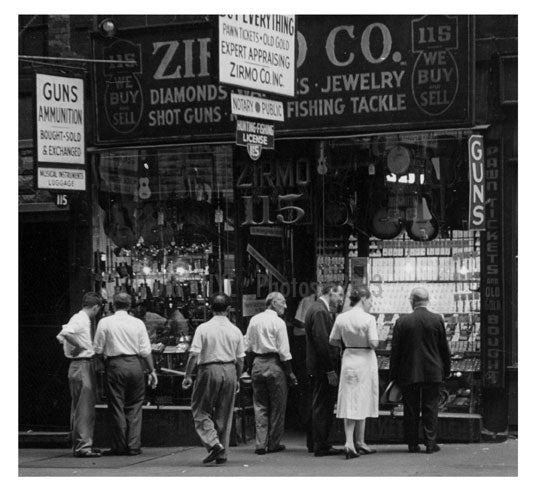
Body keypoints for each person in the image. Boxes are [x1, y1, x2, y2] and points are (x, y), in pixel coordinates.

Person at [182, 293, 245, 465]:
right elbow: (240, 359)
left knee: (200, 409)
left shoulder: (203, 328)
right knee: (225, 413)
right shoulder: (235, 330)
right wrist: (237, 377)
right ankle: (222, 453)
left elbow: (194, 354)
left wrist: (188, 375)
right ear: (229, 309)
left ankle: (214, 443)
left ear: (210, 308)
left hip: (208, 369)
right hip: (230, 369)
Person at [93, 292, 158, 456]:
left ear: (113, 305)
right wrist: (152, 371)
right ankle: (134, 445)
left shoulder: (105, 322)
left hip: (115, 365)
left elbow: (97, 349)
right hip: (135, 364)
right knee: (135, 406)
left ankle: (119, 446)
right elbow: (145, 350)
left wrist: (103, 364)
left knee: (116, 406)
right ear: (130, 306)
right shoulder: (138, 323)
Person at [389, 287, 451, 454]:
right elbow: (444, 348)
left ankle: (412, 443)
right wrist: (447, 370)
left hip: (409, 372)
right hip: (433, 371)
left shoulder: (402, 321)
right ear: (428, 300)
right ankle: (430, 443)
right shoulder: (437, 320)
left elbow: (396, 351)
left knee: (411, 408)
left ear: (411, 300)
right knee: (431, 408)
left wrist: (393, 374)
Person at [245, 292, 298, 455]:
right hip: (274, 364)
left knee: (260, 404)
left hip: (257, 363)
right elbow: (284, 351)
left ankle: (260, 443)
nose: (285, 305)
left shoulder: (254, 320)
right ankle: (273, 442)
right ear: (273, 303)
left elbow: (247, 345)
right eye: (282, 302)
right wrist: (290, 372)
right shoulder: (279, 323)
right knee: (277, 406)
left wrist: (249, 366)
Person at [329, 286, 379, 459]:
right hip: (365, 359)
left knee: (350, 397)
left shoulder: (341, 318)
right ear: (364, 299)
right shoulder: (369, 319)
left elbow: (333, 340)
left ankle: (354, 441)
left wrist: (348, 343)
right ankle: (355, 442)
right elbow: (374, 343)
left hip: (349, 357)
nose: (371, 304)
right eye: (370, 300)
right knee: (363, 397)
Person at [56, 292, 104, 458]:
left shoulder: (79, 318)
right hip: (82, 364)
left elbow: (65, 337)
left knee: (79, 406)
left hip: (79, 364)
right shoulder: (80, 319)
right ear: (96, 307)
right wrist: (81, 346)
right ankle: (83, 446)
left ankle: (80, 443)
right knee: (84, 407)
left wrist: (74, 347)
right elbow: (65, 334)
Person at [304, 281, 345, 456]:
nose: (341, 299)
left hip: (317, 366)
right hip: (323, 367)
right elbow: (323, 342)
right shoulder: (321, 311)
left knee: (318, 403)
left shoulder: (316, 308)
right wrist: (330, 370)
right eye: (340, 295)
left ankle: (315, 442)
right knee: (323, 405)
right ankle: (321, 444)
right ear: (331, 293)